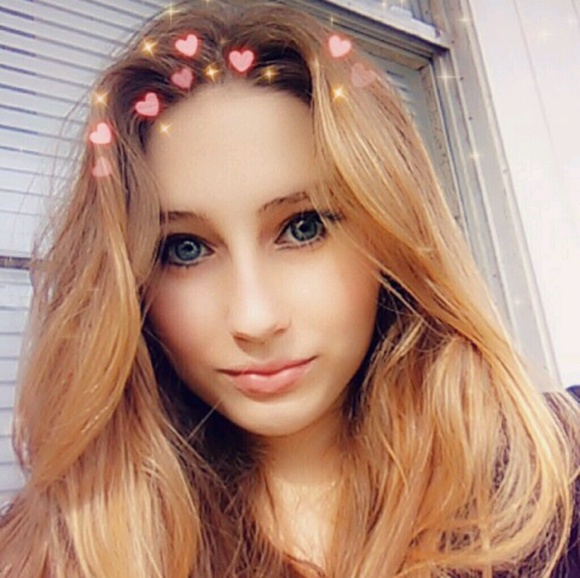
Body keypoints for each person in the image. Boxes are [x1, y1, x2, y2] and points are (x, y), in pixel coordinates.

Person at [1, 1, 578, 576]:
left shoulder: (555, 477)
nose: (254, 319)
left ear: (391, 230)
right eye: (185, 249)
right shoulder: (51, 555)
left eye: (303, 228)